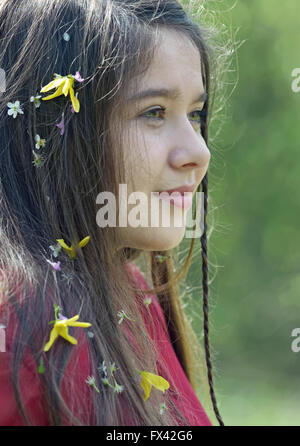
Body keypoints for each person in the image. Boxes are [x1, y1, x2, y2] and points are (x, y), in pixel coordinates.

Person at [0, 0, 224, 426]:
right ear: (55, 132)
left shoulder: (129, 292)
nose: (200, 152)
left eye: (195, 114)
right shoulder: (16, 325)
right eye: (154, 112)